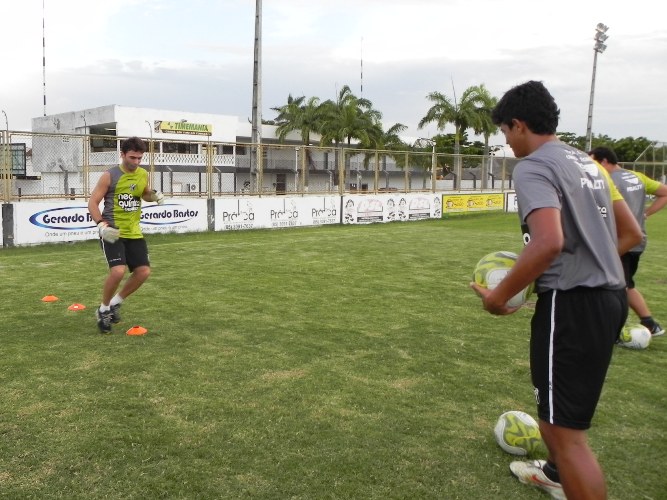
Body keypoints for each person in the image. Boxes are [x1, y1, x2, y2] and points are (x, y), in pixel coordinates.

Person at [470, 81, 642, 500]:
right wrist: (586, 263)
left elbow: (548, 242)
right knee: (559, 423)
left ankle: (565, 477)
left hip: (572, 306)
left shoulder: (533, 167)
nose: (507, 143)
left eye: (506, 132)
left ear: (519, 124)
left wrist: (499, 296)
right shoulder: (588, 163)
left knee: (566, 436)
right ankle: (556, 476)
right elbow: (630, 233)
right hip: (610, 298)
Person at [88, 136, 165, 334]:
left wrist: (154, 196)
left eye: (140, 158)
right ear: (122, 155)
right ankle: (103, 310)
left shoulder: (142, 174)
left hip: (134, 231)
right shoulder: (109, 175)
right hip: (112, 231)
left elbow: (144, 194)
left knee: (143, 272)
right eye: (132, 157)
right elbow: (92, 203)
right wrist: (101, 225)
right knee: (118, 271)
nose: (136, 162)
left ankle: (115, 303)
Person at [588, 146, 667, 336]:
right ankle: (649, 323)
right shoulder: (637, 176)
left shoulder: (605, 179)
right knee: (625, 284)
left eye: (593, 162)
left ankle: (615, 332)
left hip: (618, 242)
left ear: (604, 161)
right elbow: (664, 192)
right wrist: (646, 213)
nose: (591, 167)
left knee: (617, 286)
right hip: (638, 240)